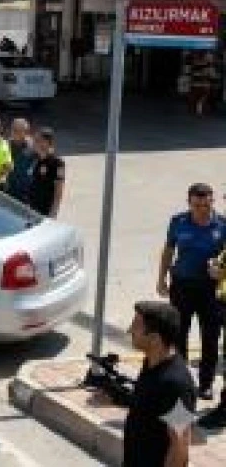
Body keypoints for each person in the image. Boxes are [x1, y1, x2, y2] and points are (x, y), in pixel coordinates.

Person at [157, 182, 226, 400]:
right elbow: (168, 250)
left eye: (207, 205)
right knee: (178, 336)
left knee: (210, 338)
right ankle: (181, 382)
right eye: (197, 206)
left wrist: (220, 270)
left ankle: (206, 384)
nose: (203, 210)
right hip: (182, 286)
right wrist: (161, 278)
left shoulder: (222, 225)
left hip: (210, 290)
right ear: (189, 203)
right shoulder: (178, 222)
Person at [124, 301, 195, 466]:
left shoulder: (176, 384)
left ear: (155, 338)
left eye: (136, 327)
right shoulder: (150, 363)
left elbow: (181, 443)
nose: (129, 331)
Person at [28, 127, 66, 218]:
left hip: (46, 209)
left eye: (38, 140)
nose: (35, 143)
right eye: (35, 140)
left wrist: (53, 212)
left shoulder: (57, 163)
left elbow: (59, 189)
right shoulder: (35, 159)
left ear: (48, 143)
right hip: (32, 208)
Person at [4, 118, 35, 202]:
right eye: (13, 130)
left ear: (25, 132)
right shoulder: (6, 145)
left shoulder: (32, 146)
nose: (14, 133)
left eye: (18, 130)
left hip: (26, 190)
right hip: (10, 188)